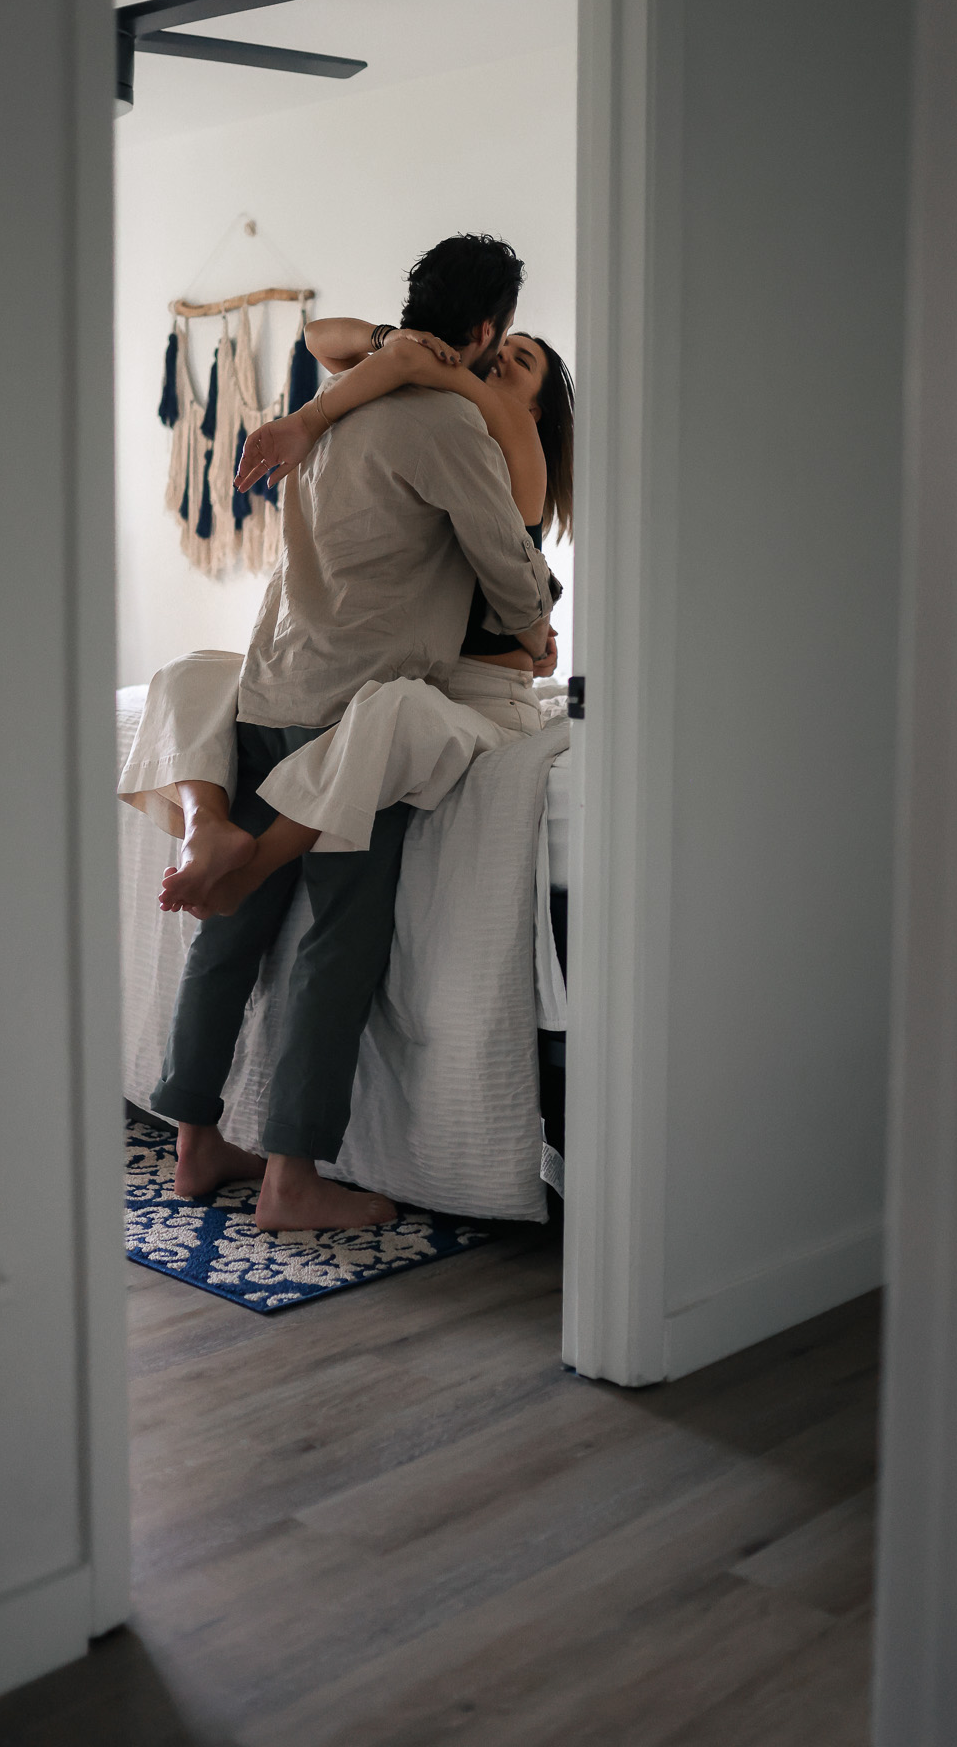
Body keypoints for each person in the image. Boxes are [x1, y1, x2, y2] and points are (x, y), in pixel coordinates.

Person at [137, 235, 553, 1232]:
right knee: (335, 942)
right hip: (353, 698)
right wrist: (536, 620)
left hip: (276, 679)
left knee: (232, 926)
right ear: (486, 330)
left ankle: (196, 1143)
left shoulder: (345, 400)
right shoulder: (449, 422)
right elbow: (504, 556)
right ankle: (290, 1179)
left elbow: (350, 345)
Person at [132, 318, 573, 923]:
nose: (499, 360)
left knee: (390, 711)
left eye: (519, 360)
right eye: (502, 348)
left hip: (486, 702)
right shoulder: (440, 424)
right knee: (189, 675)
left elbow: (524, 613)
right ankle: (203, 827)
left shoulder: (512, 443)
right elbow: (320, 337)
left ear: (536, 409)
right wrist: (391, 341)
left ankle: (253, 869)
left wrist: (538, 636)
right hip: (416, 679)